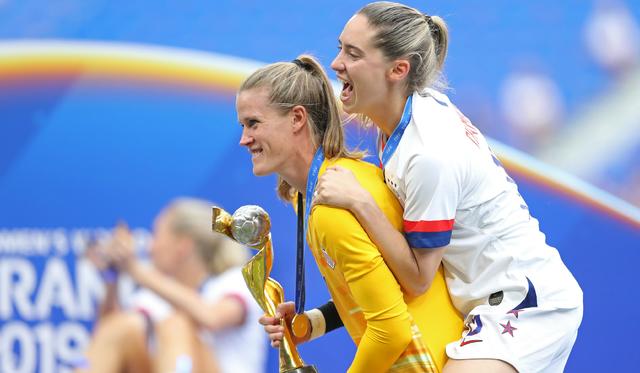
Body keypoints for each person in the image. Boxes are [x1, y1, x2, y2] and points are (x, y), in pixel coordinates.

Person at [312, 2, 584, 372]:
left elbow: (417, 279)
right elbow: (386, 267)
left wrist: (361, 203)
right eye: (341, 47)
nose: (336, 63)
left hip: (526, 304)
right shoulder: (407, 123)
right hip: (501, 302)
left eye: (353, 54)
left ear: (398, 69)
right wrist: (318, 321)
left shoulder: (427, 153)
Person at [236, 54, 463, 372]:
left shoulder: (332, 206)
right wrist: (311, 323)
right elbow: (383, 290)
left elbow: (391, 330)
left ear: (297, 118)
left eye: (253, 123)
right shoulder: (342, 180)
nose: (244, 139)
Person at [77, 197, 266, 373]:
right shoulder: (154, 294)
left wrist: (135, 270)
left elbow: (211, 317)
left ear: (182, 246)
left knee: (177, 324)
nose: (151, 247)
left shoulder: (234, 280)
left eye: (156, 235)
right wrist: (113, 278)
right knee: (123, 326)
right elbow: (111, 331)